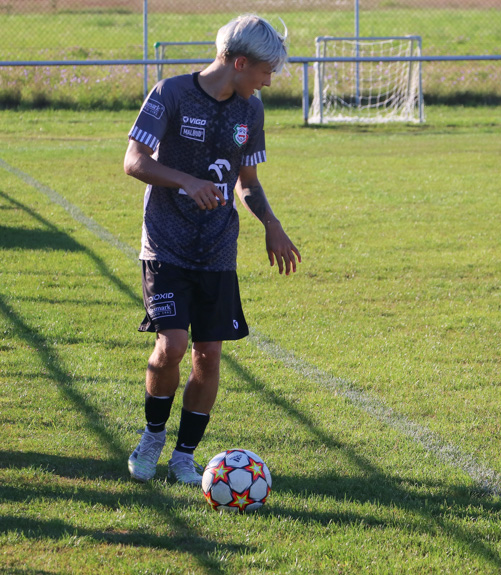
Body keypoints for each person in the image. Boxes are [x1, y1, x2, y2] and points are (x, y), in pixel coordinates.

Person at [123, 14, 301, 485]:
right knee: (172, 345)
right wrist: (186, 180)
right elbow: (133, 161)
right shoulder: (171, 94)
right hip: (164, 241)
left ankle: (184, 455)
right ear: (239, 62)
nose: (267, 82)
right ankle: (152, 437)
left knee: (208, 355)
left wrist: (271, 224)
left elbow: (248, 184)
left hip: (218, 249)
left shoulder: (251, 112)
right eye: (264, 72)